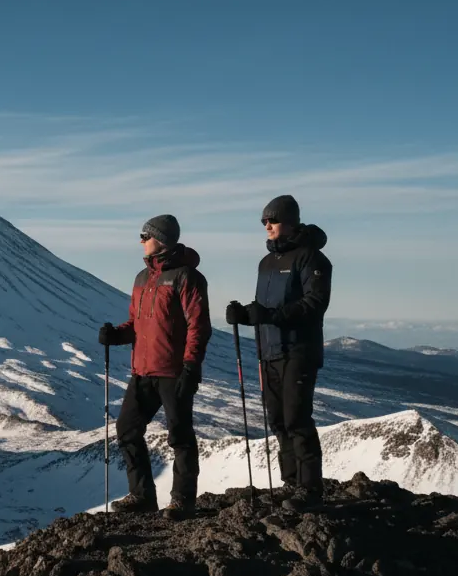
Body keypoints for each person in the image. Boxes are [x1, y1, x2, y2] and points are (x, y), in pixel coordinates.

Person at [99, 214, 211, 519]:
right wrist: (116, 335)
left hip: (173, 371)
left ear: (159, 239)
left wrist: (190, 366)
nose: (140, 241)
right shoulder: (141, 278)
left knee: (180, 435)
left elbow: (198, 327)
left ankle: (183, 501)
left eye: (144, 236)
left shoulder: (186, 277)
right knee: (127, 430)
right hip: (143, 371)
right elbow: (136, 324)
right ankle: (142, 495)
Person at [226, 195, 331, 504]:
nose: (266, 225)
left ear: (290, 221)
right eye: (263, 221)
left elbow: (315, 303)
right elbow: (266, 307)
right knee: (279, 421)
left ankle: (310, 489)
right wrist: (246, 315)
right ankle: (291, 483)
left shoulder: (311, 258)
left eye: (271, 220)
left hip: (299, 351)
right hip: (269, 352)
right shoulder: (267, 262)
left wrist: (270, 316)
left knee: (297, 418)